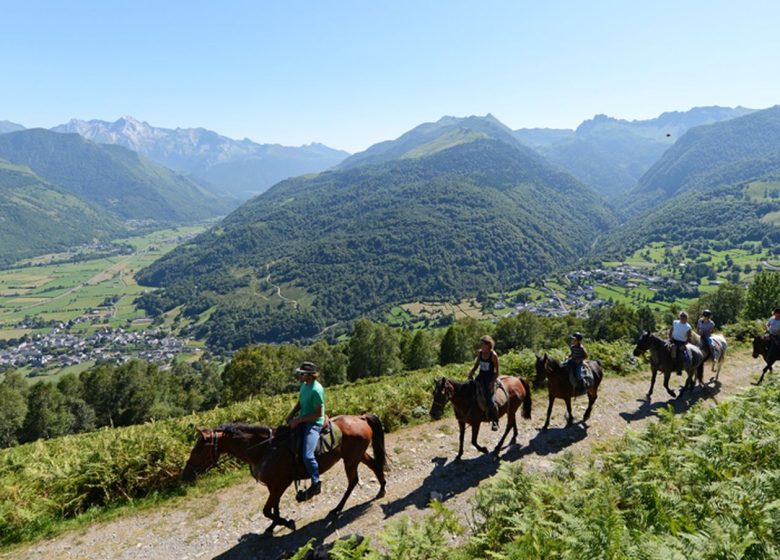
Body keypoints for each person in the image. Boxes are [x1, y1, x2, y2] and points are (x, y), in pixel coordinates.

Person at [286, 361, 325, 501]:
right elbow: (300, 403)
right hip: (303, 419)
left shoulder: (316, 390)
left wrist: (299, 420)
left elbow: (318, 413)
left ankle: (316, 483)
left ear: (308, 375)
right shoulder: (304, 386)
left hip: (313, 424)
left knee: (308, 455)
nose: (299, 376)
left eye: (301, 374)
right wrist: (291, 414)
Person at [468, 335, 500, 431]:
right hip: (480, 377)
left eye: (482, 344)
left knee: (490, 400)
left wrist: (492, 382)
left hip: (489, 379)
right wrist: (472, 372)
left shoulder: (493, 355)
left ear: (488, 345)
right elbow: (477, 364)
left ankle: (495, 421)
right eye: (481, 344)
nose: (481, 345)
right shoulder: (480, 353)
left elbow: (497, 371)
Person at [669, 311, 692, 376]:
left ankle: (678, 369)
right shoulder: (675, 322)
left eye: (684, 316)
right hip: (673, 340)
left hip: (681, 342)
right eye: (681, 316)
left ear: (686, 318)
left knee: (680, 355)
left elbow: (689, 337)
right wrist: (670, 338)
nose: (682, 317)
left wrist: (684, 345)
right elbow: (671, 330)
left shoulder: (688, 327)